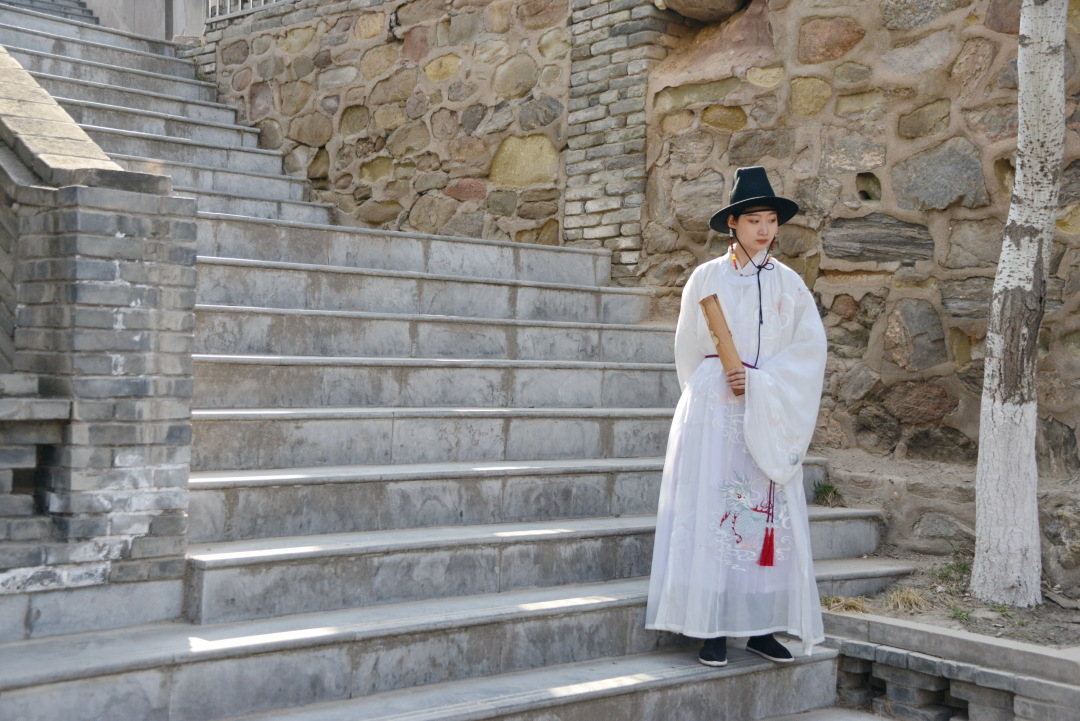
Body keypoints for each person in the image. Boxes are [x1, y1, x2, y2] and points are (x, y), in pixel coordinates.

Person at [644, 166, 828, 667]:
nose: (765, 229)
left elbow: (810, 348)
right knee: (713, 510)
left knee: (763, 517)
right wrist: (712, 390)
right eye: (753, 220)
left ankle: (760, 626)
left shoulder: (789, 284)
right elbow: (688, 346)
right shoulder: (706, 277)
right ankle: (710, 626)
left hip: (766, 408)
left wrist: (763, 383)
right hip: (714, 409)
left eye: (771, 220)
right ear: (732, 224)